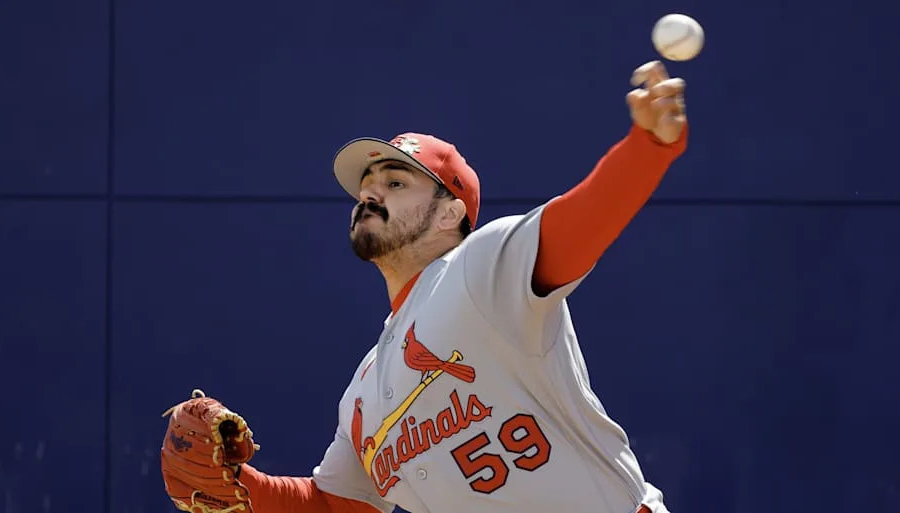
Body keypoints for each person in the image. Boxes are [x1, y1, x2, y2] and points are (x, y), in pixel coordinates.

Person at [160, 59, 689, 513]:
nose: (370, 194)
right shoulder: (363, 393)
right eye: (367, 186)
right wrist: (240, 487)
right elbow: (335, 505)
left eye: (395, 182)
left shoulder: (480, 269)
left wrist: (647, 148)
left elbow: (579, 226)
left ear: (450, 214)